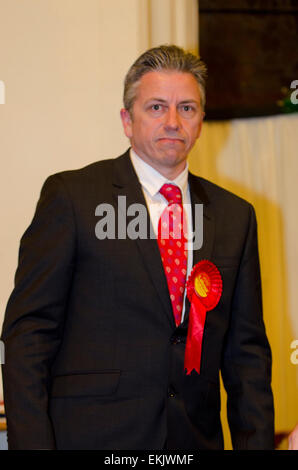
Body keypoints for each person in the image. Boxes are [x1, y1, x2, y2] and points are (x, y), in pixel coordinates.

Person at [1, 45, 274, 450]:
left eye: (187, 108)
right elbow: (28, 336)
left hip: (193, 441)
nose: (172, 122)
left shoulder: (236, 216)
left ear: (200, 122)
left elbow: (246, 356)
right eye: (156, 107)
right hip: (91, 438)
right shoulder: (73, 197)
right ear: (127, 120)